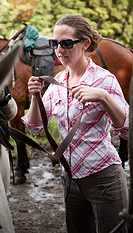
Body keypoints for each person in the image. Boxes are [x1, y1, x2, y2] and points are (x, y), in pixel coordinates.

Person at [21, 14, 129, 233]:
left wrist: (103, 97)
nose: (59, 50)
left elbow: (125, 127)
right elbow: (34, 127)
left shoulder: (105, 80)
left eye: (66, 43)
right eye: (55, 43)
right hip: (70, 179)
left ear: (85, 44)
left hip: (103, 177)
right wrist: (35, 97)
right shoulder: (58, 81)